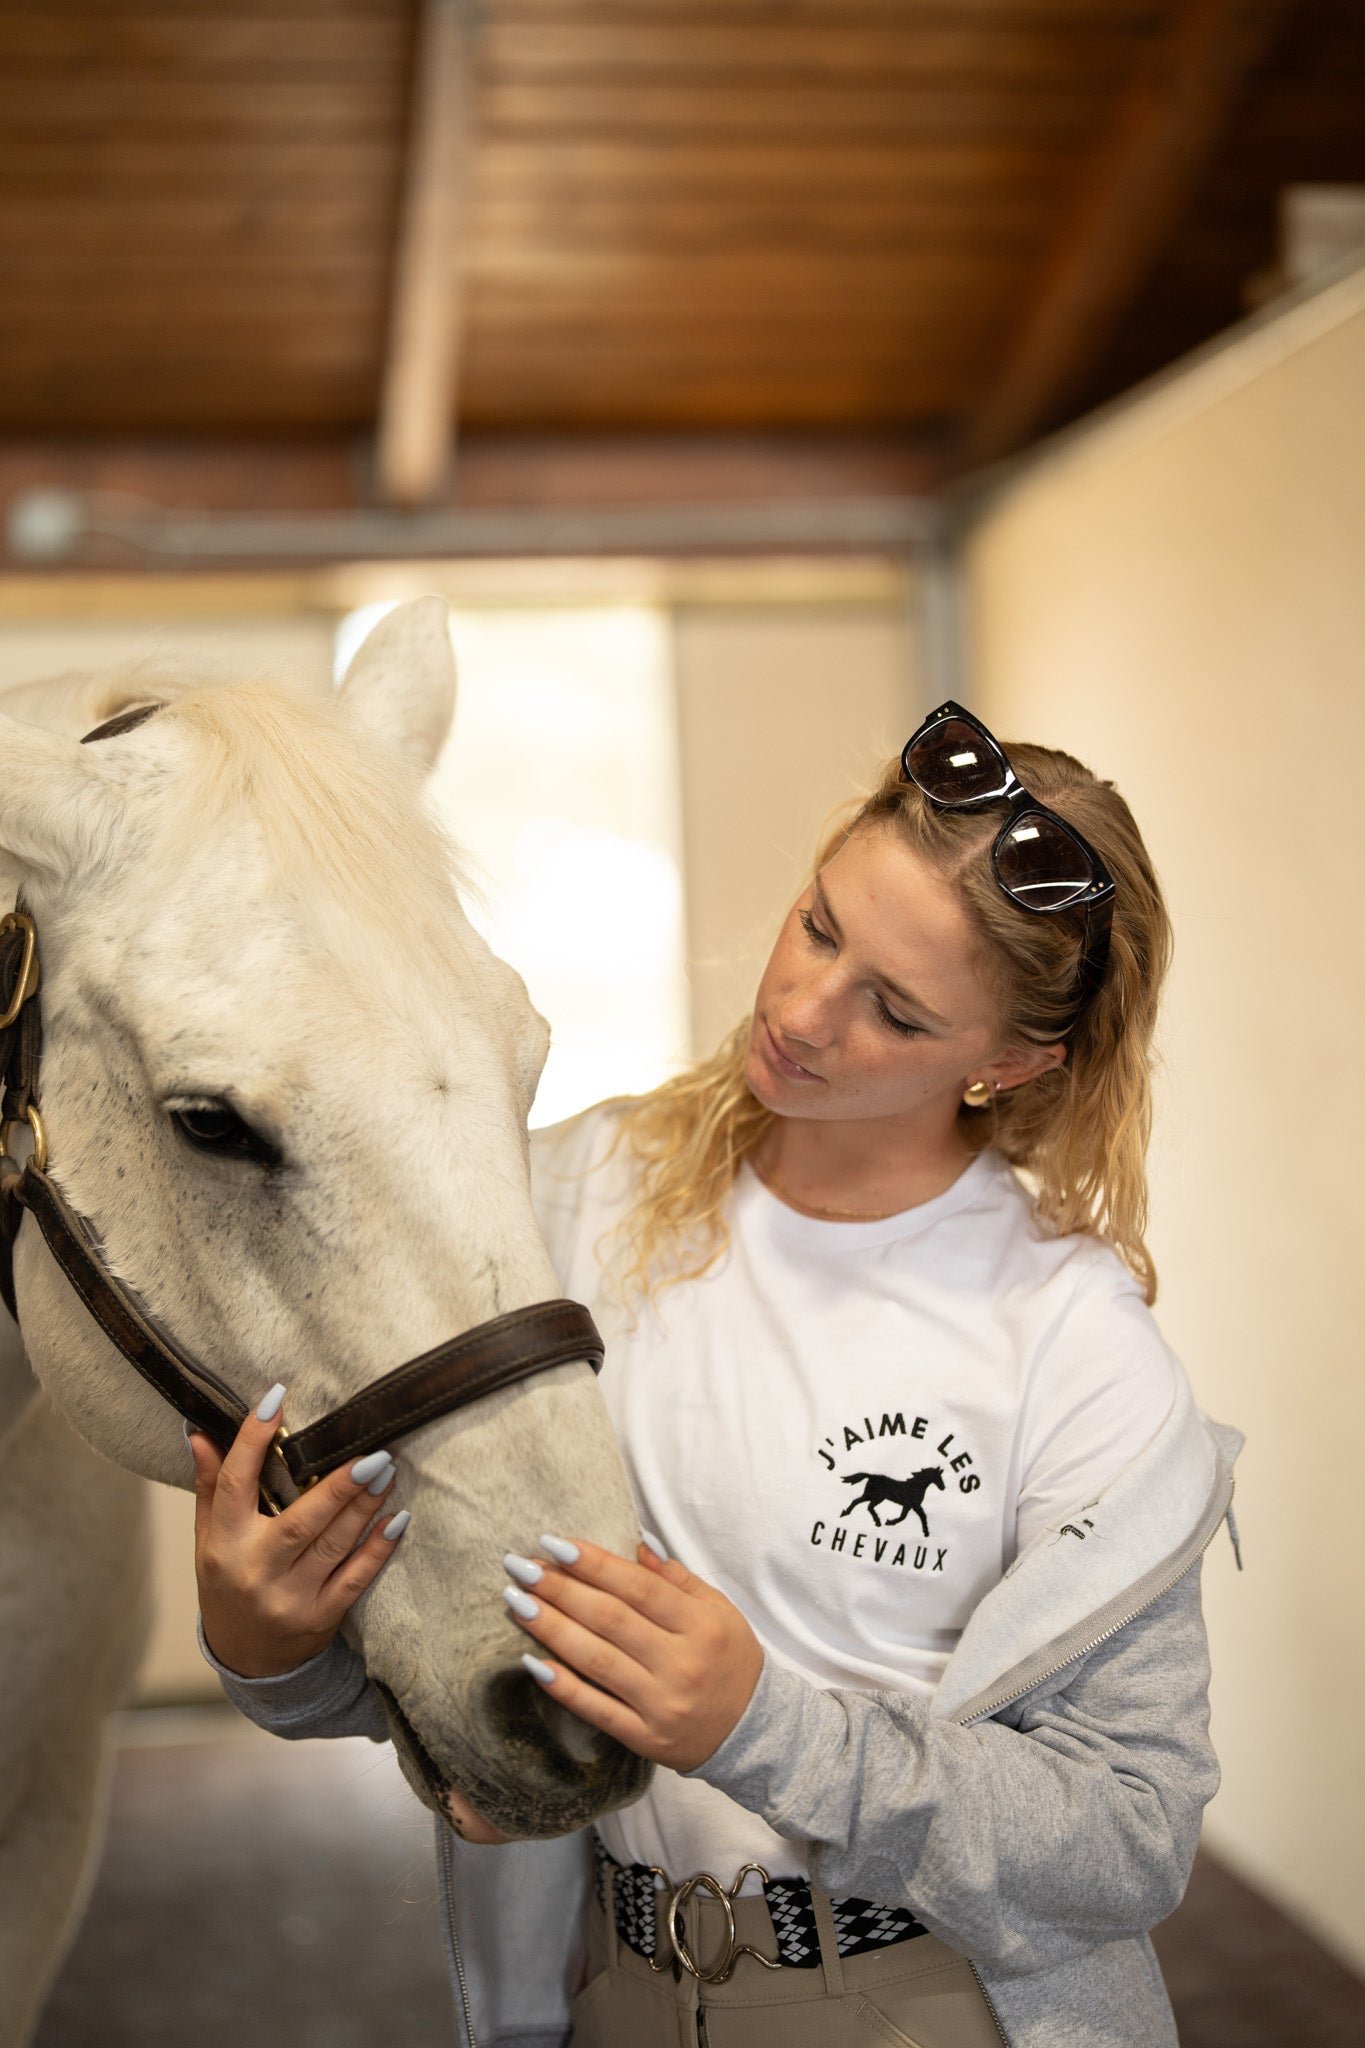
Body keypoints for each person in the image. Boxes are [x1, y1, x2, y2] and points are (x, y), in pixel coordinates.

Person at [190, 701, 1240, 2048]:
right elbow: (445, 1649)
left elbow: (1124, 1844)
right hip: (617, 1995)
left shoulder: (1068, 1344)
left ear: (1007, 1065)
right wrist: (271, 1649)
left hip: (933, 2004)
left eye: (896, 1012)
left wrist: (761, 1726)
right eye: (818, 924)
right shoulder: (560, 1203)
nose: (802, 1011)